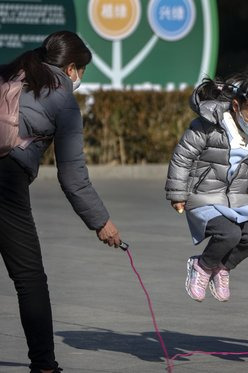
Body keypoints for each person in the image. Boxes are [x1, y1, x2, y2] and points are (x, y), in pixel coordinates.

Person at [0, 31, 121, 373]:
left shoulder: (11, 72)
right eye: (81, 71)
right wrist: (102, 222)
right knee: (29, 277)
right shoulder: (62, 99)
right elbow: (72, 176)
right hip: (6, 180)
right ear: (71, 69)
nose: (80, 78)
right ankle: (44, 365)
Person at [165, 74, 248, 303]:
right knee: (229, 233)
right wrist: (177, 193)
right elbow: (182, 157)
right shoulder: (208, 125)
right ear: (236, 106)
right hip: (203, 195)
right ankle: (202, 266)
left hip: (236, 199)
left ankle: (223, 268)